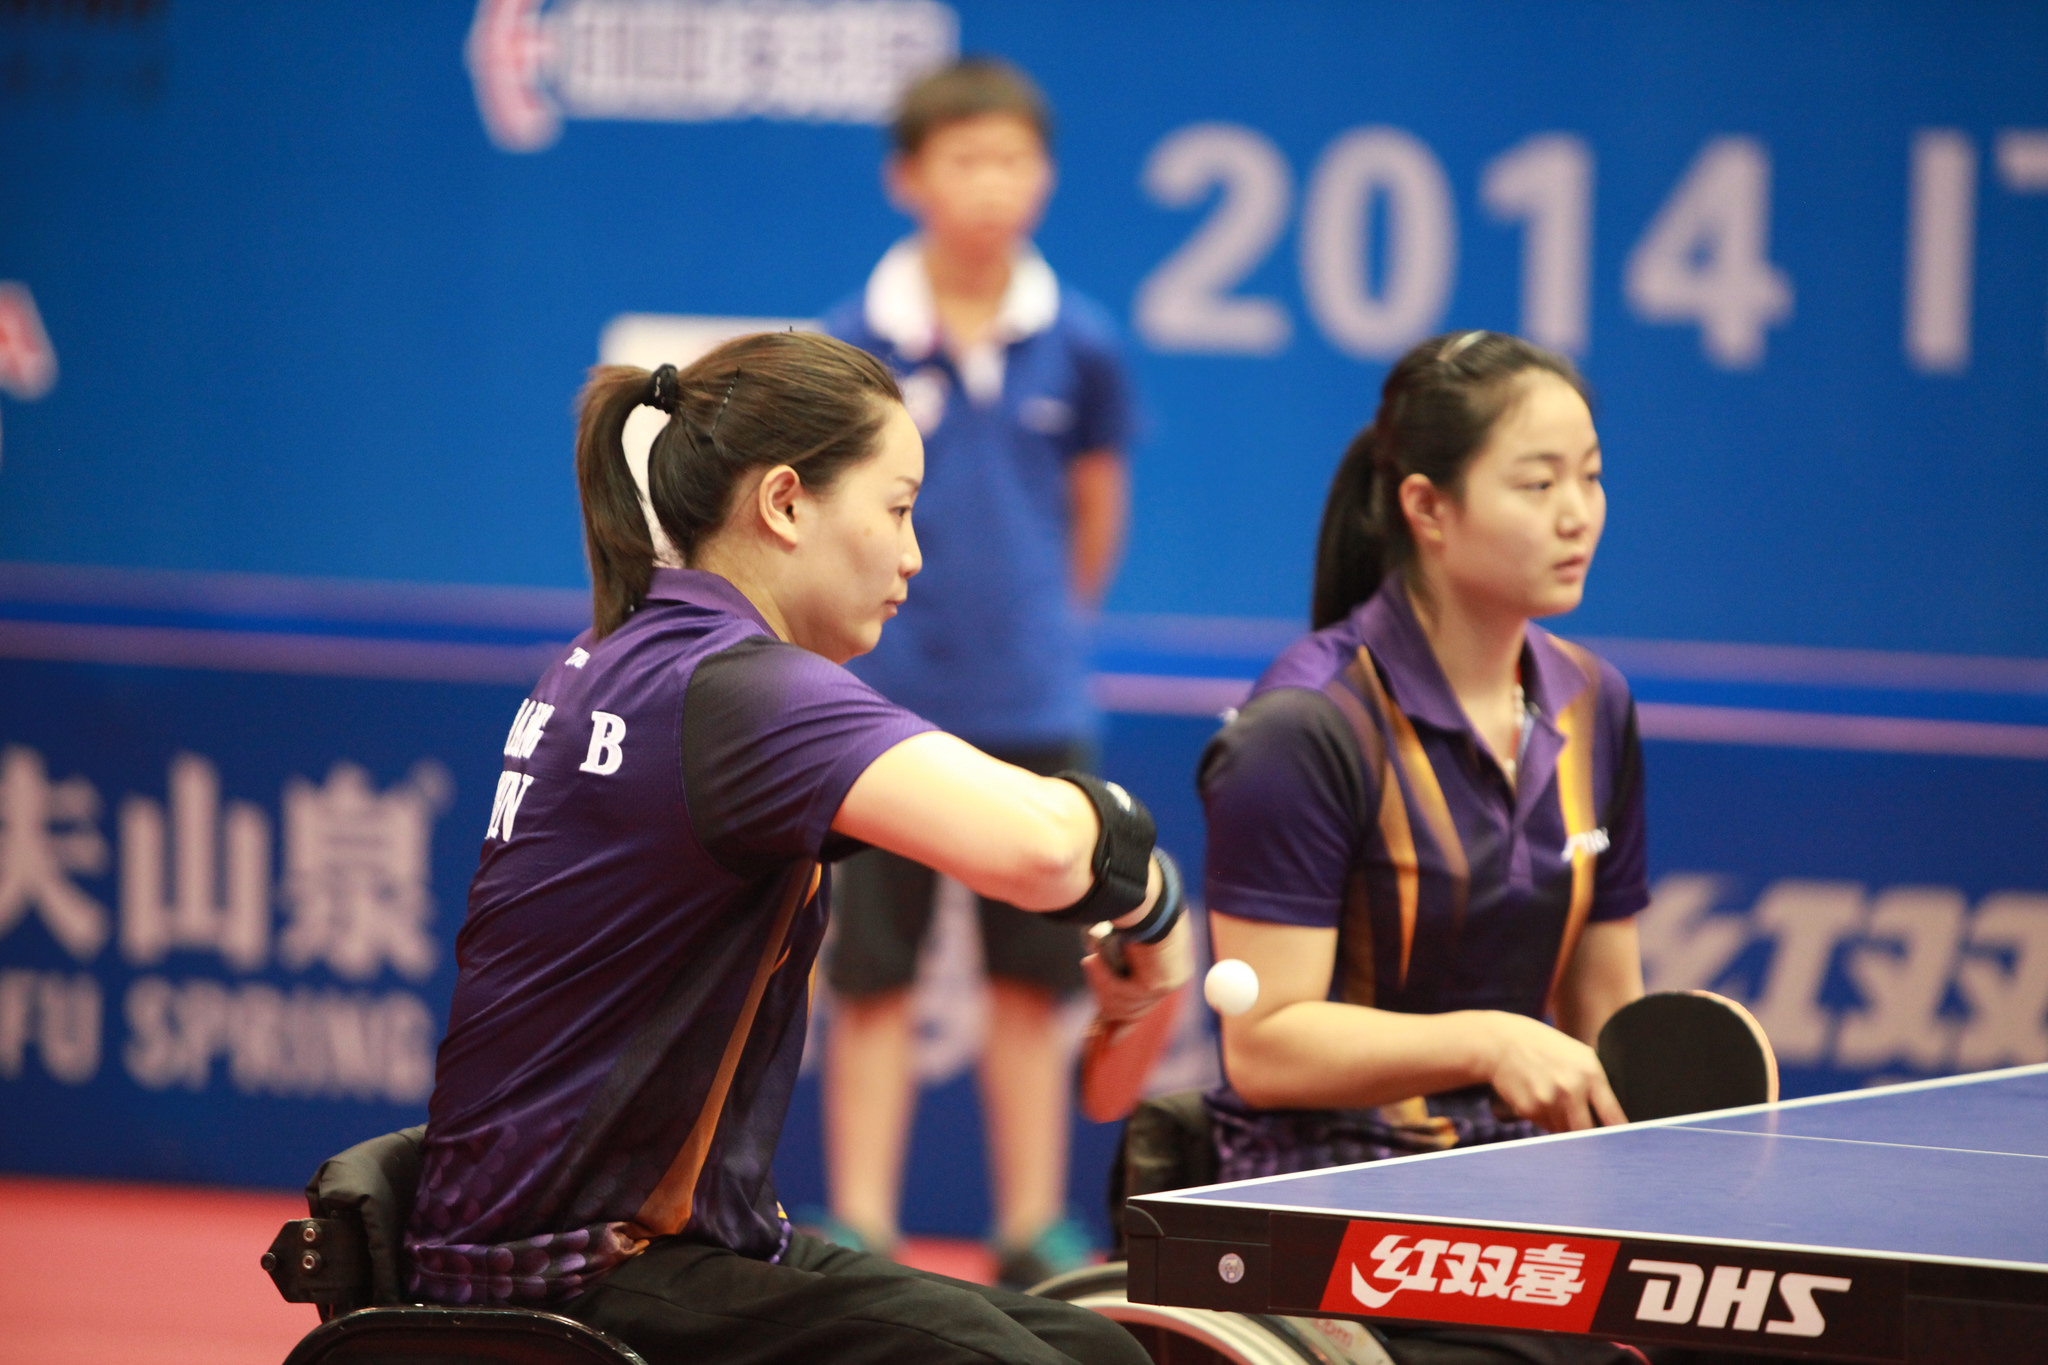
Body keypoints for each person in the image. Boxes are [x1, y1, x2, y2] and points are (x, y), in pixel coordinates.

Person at [403, 331, 1186, 1365]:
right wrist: (1153, 893)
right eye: (898, 509)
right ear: (784, 504)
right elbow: (1041, 851)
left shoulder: (627, 653)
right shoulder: (741, 690)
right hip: (572, 1276)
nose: (913, 554)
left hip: (636, 1241)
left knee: (1109, 1353)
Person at [818, 57, 1138, 1287]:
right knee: (871, 981)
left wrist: (1043, 635)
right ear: (909, 177)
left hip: (1036, 711)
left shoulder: (1084, 346)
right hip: (877, 714)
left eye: (1013, 160)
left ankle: (1026, 1227)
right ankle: (859, 1222)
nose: (992, 184)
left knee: (1029, 988)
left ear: (1043, 177)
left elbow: (1092, 516)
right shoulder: (852, 344)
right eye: (965, 159)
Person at [1199, 330, 1646, 1185]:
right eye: (1538, 482)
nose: (1576, 512)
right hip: (1331, 1179)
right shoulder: (1304, 728)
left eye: (1590, 475)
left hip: (1528, 1174)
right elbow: (1265, 1046)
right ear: (1428, 507)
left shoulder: (1597, 705)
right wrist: (1490, 1039)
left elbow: (1604, 1006)